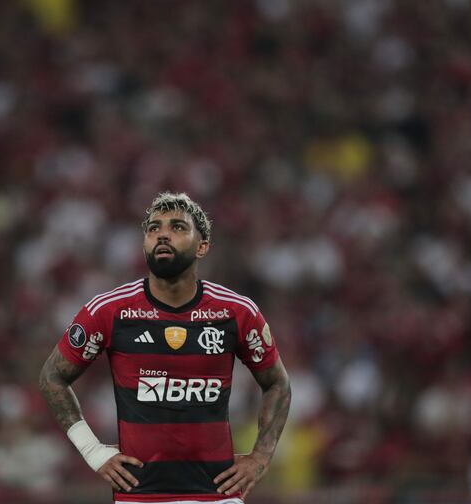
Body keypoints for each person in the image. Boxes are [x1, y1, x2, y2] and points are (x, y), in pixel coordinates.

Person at [39, 191, 291, 504]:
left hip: (217, 496)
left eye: (177, 227)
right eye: (153, 228)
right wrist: (93, 451)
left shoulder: (236, 312)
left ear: (202, 246)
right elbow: (52, 376)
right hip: (139, 496)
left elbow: (277, 383)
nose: (162, 235)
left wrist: (261, 456)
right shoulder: (110, 311)